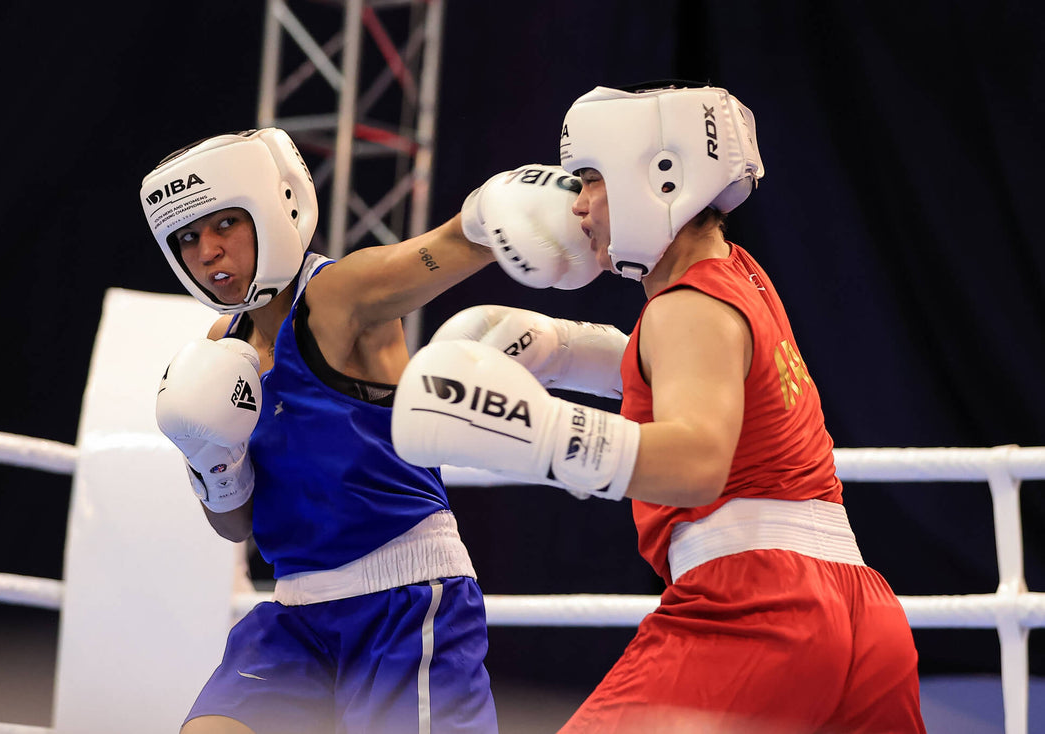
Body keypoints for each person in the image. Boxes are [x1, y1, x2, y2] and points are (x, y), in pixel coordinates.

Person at [392, 82, 927, 733]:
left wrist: (538, 432)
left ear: (660, 175)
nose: (578, 206)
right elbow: (697, 383)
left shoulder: (685, 306)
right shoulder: (740, 278)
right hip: (862, 616)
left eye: (590, 180)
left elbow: (698, 461)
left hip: (757, 610)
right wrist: (564, 351)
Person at [139, 128, 597, 734]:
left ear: (274, 209)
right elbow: (235, 527)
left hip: (405, 599)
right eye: (188, 237)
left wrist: (498, 211)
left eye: (224, 224)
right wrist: (212, 466)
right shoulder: (220, 350)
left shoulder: (337, 296)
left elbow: (448, 245)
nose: (207, 252)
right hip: (295, 615)